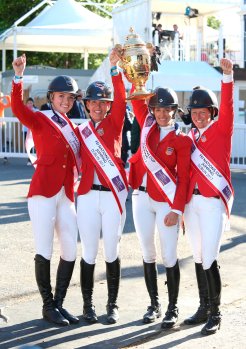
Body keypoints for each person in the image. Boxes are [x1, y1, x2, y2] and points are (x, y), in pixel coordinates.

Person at [11, 54, 81, 326]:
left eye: (70, 98)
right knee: (44, 249)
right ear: (52, 97)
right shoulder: (40, 119)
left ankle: (59, 304)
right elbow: (17, 108)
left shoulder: (74, 127)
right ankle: (47, 305)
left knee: (70, 250)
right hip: (42, 193)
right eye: (61, 97)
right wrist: (19, 77)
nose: (66, 101)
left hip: (66, 194)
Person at [128, 86, 192, 329]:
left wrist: (177, 210)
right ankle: (154, 304)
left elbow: (184, 178)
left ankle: (172, 307)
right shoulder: (147, 128)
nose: (163, 114)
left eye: (168, 109)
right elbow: (136, 97)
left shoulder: (182, 140)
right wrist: (133, 76)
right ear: (151, 110)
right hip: (140, 198)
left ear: (175, 111)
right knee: (147, 252)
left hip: (166, 201)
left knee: (169, 254)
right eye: (158, 109)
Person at [76, 49, 128, 325]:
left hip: (111, 197)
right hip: (86, 197)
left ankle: (113, 305)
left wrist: (114, 68)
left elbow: (122, 97)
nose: (98, 107)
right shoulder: (80, 131)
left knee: (111, 250)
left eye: (102, 103)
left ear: (108, 106)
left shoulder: (116, 122)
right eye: (93, 103)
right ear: (85, 105)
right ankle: (88, 306)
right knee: (88, 251)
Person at [183, 58, 234, 336]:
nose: (199, 116)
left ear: (212, 112)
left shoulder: (221, 130)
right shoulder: (188, 137)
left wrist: (227, 77)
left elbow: (227, 107)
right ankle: (203, 306)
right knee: (198, 254)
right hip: (192, 204)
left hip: (213, 202)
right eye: (195, 112)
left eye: (204, 112)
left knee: (211, 257)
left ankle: (216, 313)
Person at [22, 97, 39, 165]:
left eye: (31, 103)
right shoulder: (24, 110)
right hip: (25, 130)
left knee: (35, 145)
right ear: (26, 104)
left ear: (33, 103)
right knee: (28, 145)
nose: (30, 104)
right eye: (28, 103)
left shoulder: (36, 110)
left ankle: (36, 159)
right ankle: (29, 160)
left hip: (34, 130)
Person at [0, 92, 11, 162]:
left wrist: (7, 97)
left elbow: (9, 104)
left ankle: (5, 156)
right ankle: (5, 156)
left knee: (3, 141)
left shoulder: (1, 104)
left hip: (2, 124)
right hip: (2, 124)